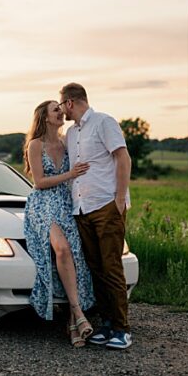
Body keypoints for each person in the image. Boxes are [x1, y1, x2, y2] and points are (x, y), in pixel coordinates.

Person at [60, 82, 133, 350]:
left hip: (105, 205)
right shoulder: (70, 133)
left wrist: (119, 198)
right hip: (82, 208)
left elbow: (123, 158)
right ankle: (106, 324)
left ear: (70, 102)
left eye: (62, 105)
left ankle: (122, 329)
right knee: (95, 268)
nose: (62, 110)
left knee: (111, 266)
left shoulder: (104, 122)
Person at [22, 100, 95, 345]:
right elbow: (40, 182)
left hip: (66, 202)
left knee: (74, 254)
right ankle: (78, 313)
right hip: (42, 203)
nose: (61, 112)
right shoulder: (35, 144)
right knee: (61, 248)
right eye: (56, 109)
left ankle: (73, 324)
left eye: (60, 109)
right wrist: (70, 174)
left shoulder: (66, 142)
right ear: (44, 117)